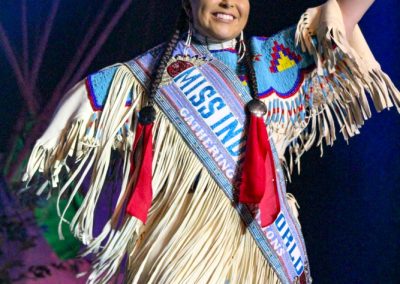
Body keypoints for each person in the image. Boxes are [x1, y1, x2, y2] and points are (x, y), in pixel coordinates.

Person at [22, 0, 399, 283]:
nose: (227, 3)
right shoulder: (139, 79)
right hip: (183, 261)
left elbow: (345, 12)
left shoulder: (273, 62)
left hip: (264, 259)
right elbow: (65, 129)